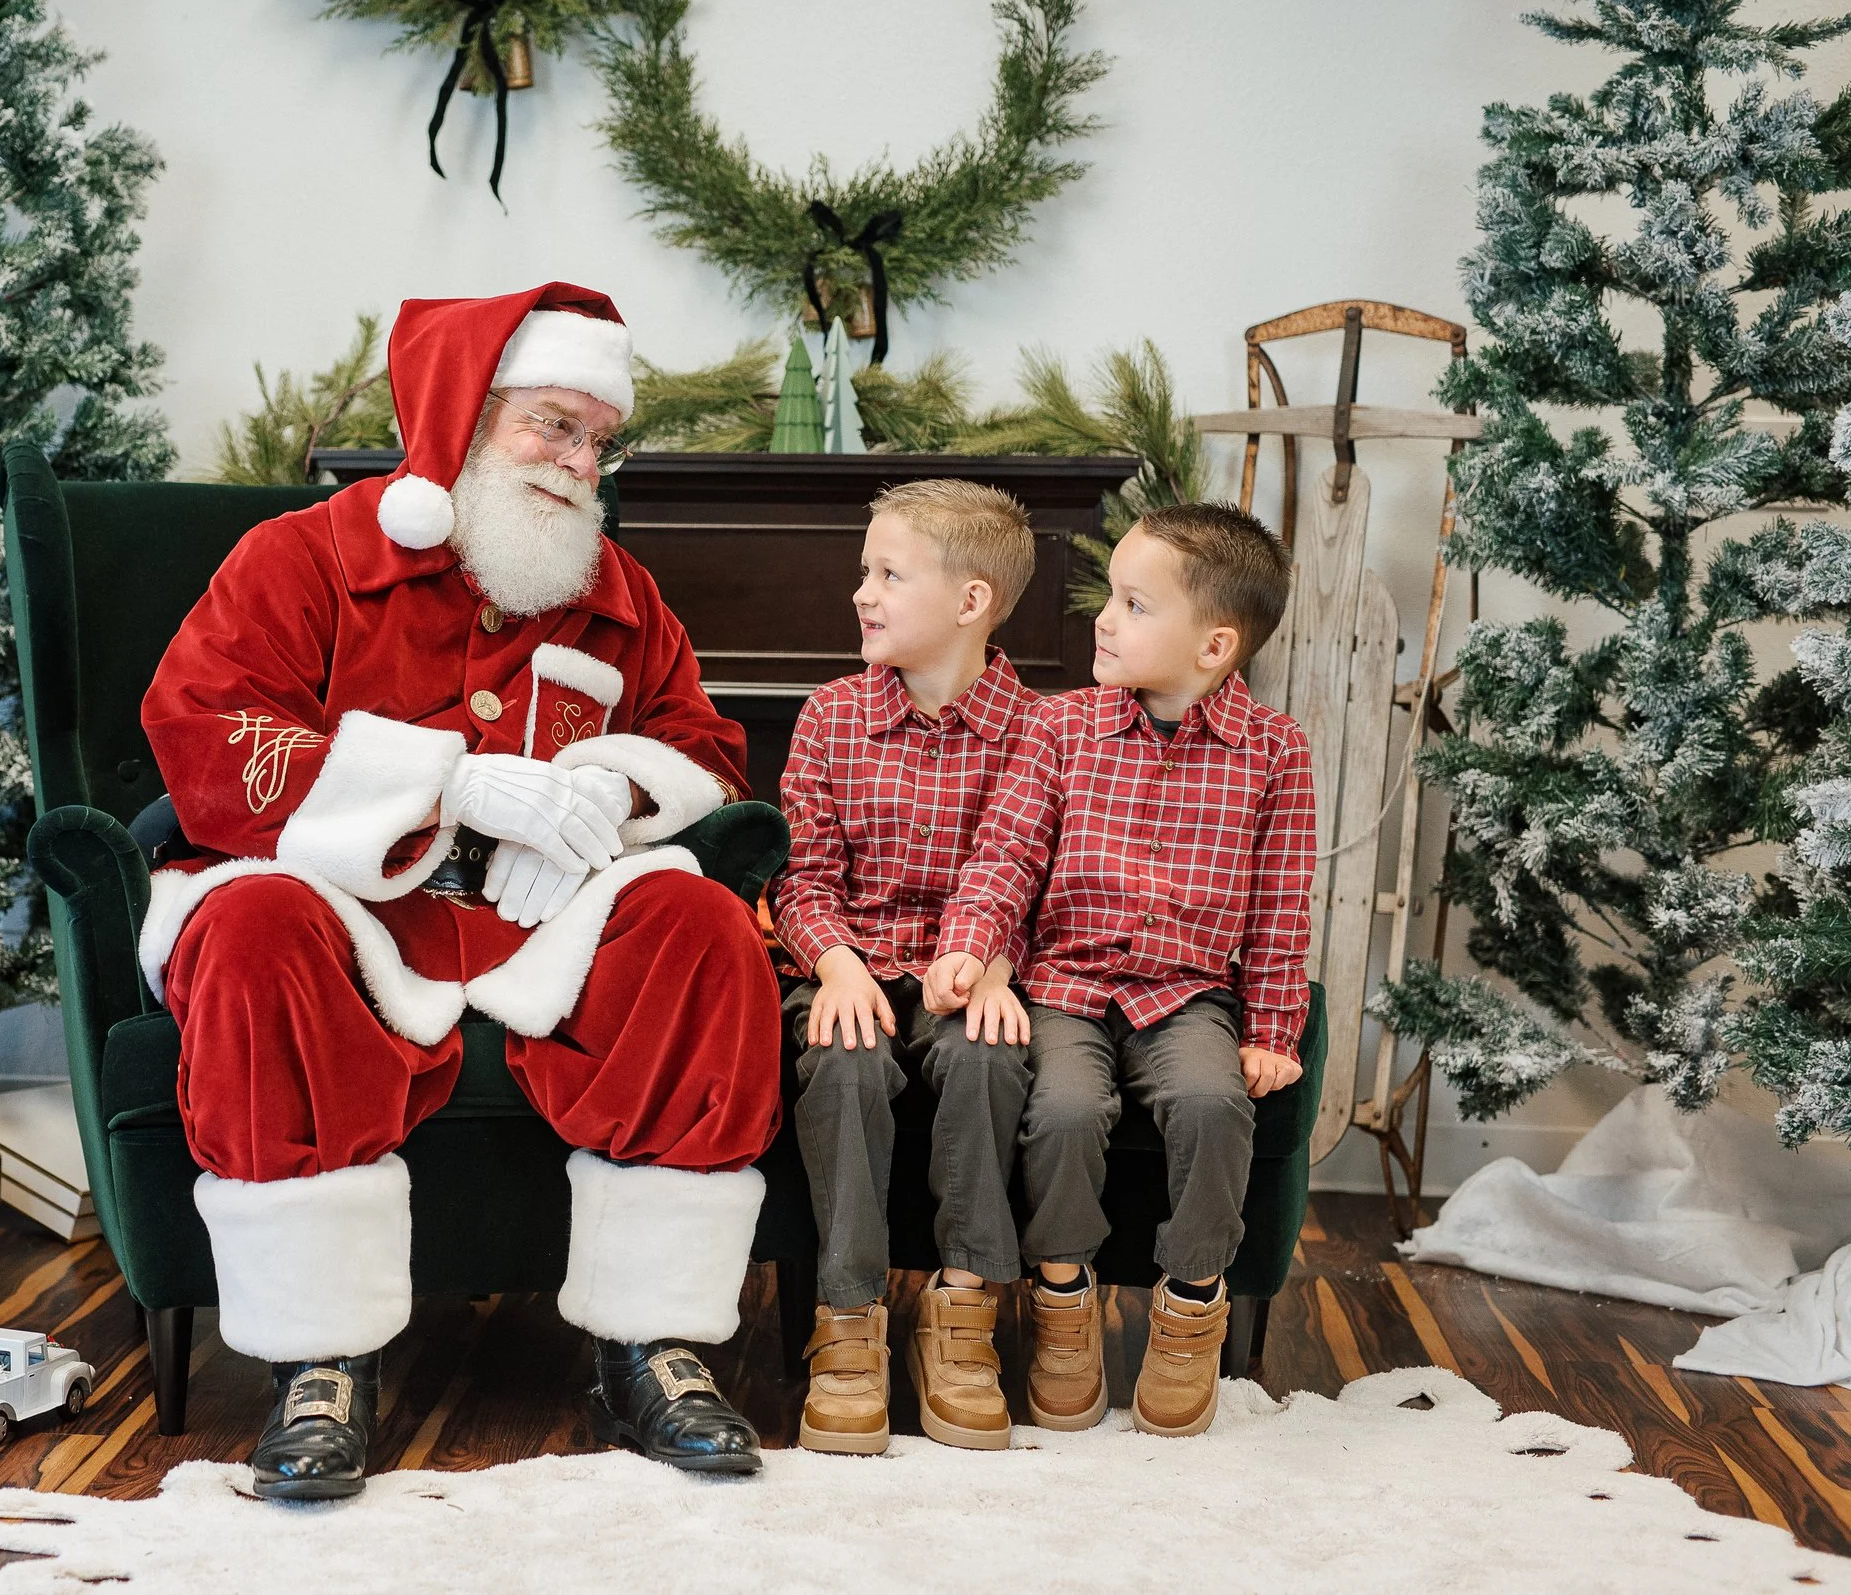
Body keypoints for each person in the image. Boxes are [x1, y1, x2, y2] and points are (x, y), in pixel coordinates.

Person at [136, 284, 781, 1500]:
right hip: (346, 903)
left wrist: (611, 793)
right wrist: (451, 783)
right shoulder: (302, 556)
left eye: (597, 439)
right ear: (464, 420)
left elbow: (702, 748)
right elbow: (206, 730)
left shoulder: (616, 586)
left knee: (698, 922)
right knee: (247, 923)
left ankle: (653, 1340)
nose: (579, 462)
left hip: (539, 916)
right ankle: (319, 1360)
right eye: (551, 425)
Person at [926, 502, 1315, 1438]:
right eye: (1112, 595)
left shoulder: (1275, 753)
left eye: (1136, 604)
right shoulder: (1060, 729)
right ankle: (1064, 1300)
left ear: (1215, 644)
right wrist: (970, 947)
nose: (1103, 617)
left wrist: (1271, 1031)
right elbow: (1006, 855)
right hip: (1068, 984)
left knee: (1216, 1106)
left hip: (1189, 995)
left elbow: (1281, 906)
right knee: (1061, 1110)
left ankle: (1191, 1305)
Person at [770, 479, 1039, 1454]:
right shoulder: (831, 716)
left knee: (984, 1056)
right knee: (839, 1058)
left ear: (970, 601)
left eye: (888, 573)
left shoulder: (1037, 730)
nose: (861, 592)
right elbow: (802, 876)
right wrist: (834, 964)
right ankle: (845, 1319)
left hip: (970, 966)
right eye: (862, 570)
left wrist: (984, 957)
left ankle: (960, 1317)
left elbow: (1017, 861)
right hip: (849, 956)